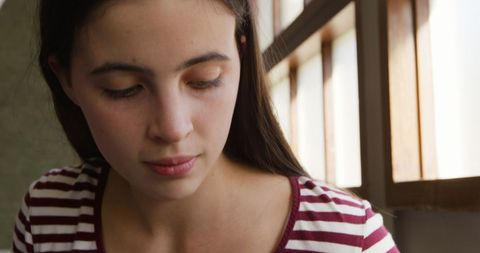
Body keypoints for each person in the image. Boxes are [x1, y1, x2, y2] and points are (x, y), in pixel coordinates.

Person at [12, 0, 399, 252]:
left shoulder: (349, 239)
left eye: (204, 79)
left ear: (241, 56)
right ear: (66, 80)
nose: (172, 127)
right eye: (124, 89)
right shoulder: (47, 216)